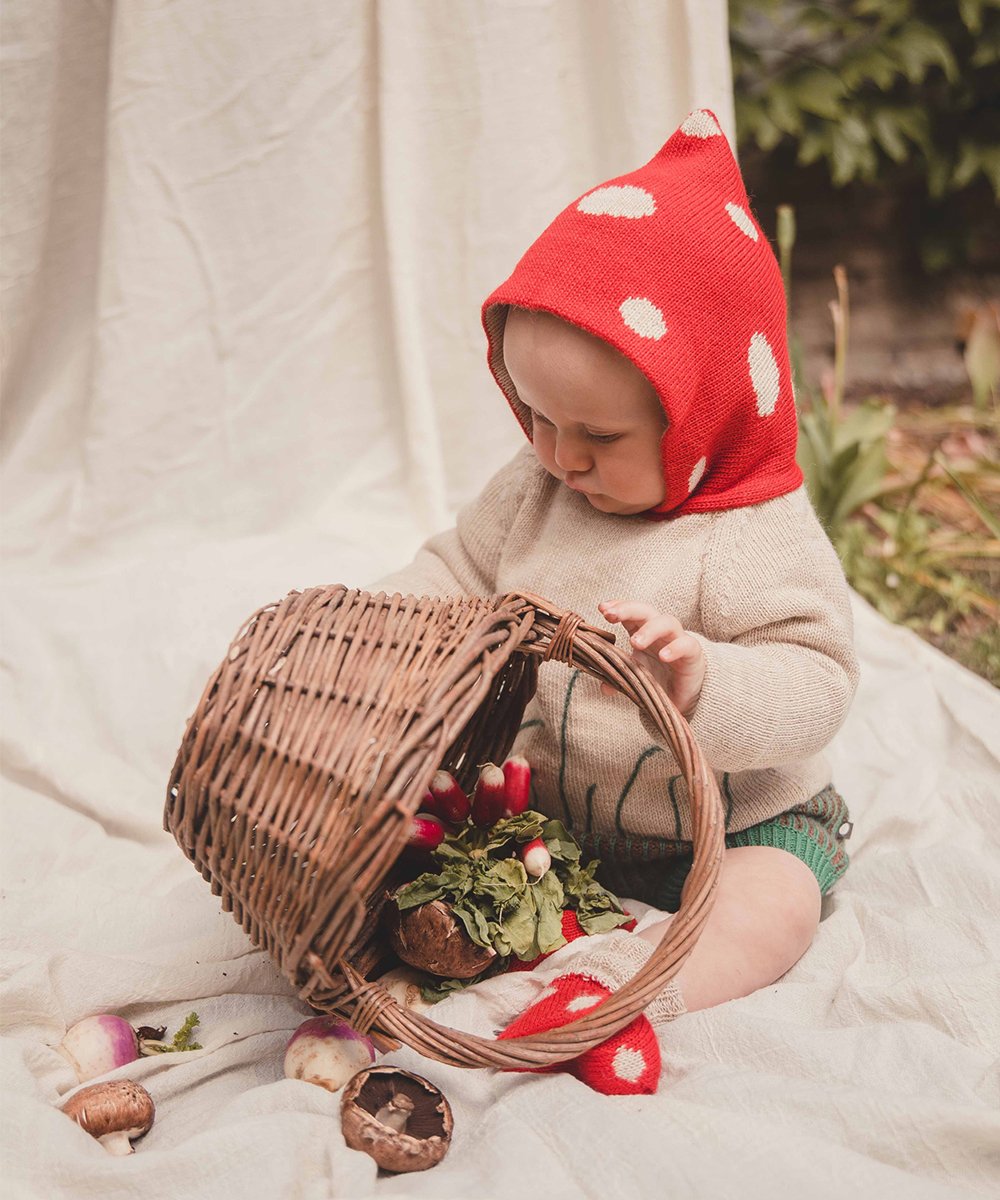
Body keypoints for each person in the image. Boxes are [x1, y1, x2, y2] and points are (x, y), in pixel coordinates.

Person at [368, 108, 859, 1094]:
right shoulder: (539, 483)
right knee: (411, 848)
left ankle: (629, 1000)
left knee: (776, 906)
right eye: (535, 414)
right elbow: (461, 567)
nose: (559, 455)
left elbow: (820, 681)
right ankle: (435, 957)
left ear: (702, 413)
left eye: (596, 433)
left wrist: (704, 680)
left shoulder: (747, 530)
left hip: (732, 825)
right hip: (546, 823)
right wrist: (378, 625)